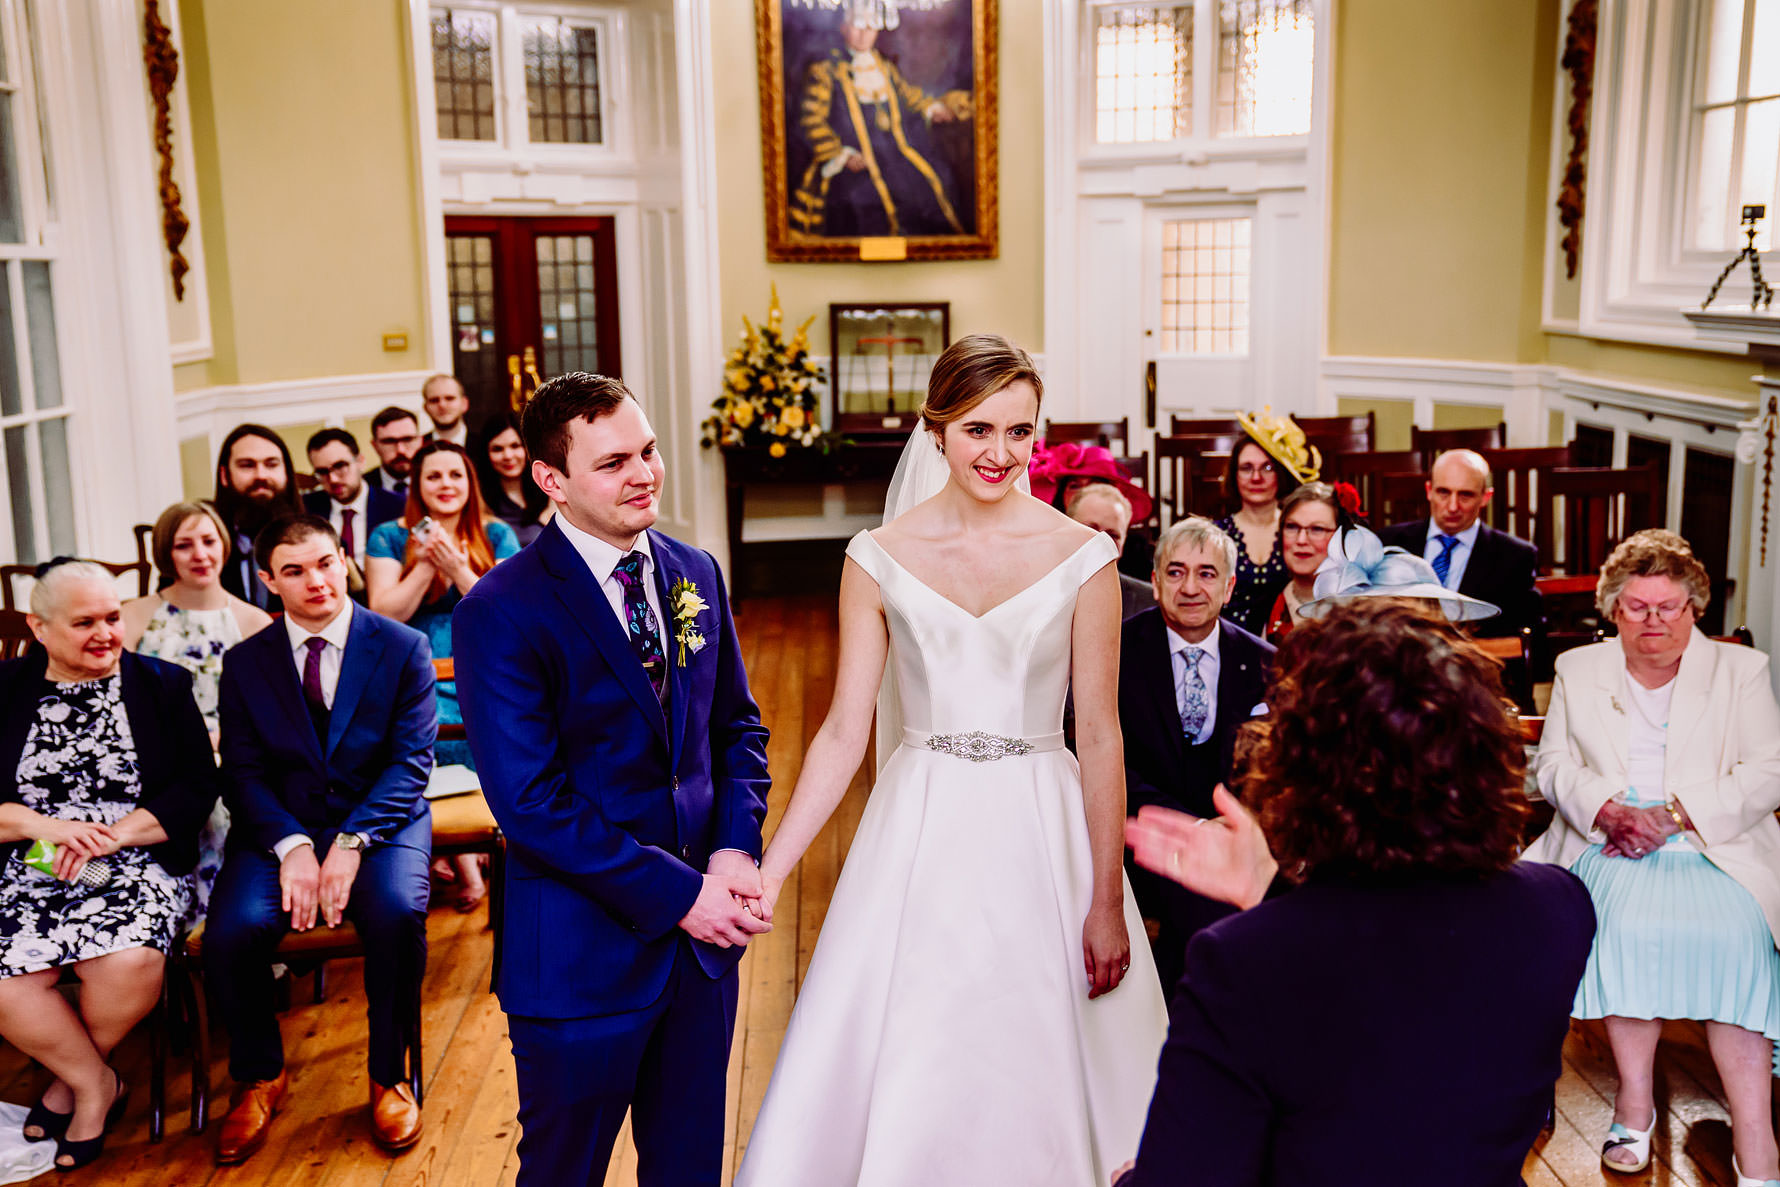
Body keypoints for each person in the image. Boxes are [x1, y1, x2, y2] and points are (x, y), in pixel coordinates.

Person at [734, 334, 1168, 1187]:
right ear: (936, 431)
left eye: (1019, 431)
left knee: (1045, 1046)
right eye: (978, 430)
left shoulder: (1085, 556)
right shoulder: (876, 556)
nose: (999, 453)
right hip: (920, 823)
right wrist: (774, 870)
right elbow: (841, 731)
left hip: (1042, 822)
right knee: (915, 1042)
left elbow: (1103, 733)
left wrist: (1108, 900)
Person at [1115, 600, 1596, 1187]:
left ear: (1302, 770)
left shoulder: (1241, 962)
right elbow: (1411, 1035)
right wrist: (1269, 893)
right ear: (1485, 752)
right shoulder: (1559, 908)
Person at [452, 372, 771, 1186]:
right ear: (550, 480)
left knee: (690, 1168)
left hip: (702, 960)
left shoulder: (694, 569)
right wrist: (682, 894)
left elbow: (735, 729)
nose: (645, 473)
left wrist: (734, 849)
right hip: (579, 958)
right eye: (614, 462)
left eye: (650, 449)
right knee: (564, 1172)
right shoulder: (502, 608)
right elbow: (530, 803)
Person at [1524, 530, 1780, 1183]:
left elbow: (1768, 773)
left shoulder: (1741, 670)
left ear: (1696, 608)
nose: (1653, 621)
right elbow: (1551, 766)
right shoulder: (1580, 669)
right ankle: (1633, 1103)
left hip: (1713, 843)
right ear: (1613, 609)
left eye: (1669, 606)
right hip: (1607, 841)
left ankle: (1756, 1131)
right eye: (1636, 606)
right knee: (1620, 929)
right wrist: (1608, 807)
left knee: (1739, 939)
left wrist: (1672, 815)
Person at [205, 516, 436, 1164]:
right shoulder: (246, 662)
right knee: (230, 931)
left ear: (344, 561)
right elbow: (242, 771)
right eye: (296, 570)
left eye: (327, 563)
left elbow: (411, 761)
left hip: (381, 821)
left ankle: (389, 1072)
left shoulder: (402, 645)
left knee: (394, 914)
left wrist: (354, 838)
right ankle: (259, 1074)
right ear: (269, 580)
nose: (317, 581)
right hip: (277, 826)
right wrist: (292, 844)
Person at [0, 560, 218, 1171]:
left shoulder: (163, 686)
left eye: (113, 617)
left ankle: (70, 1082)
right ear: (38, 629)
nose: (105, 633)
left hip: (136, 857)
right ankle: (96, 1082)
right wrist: (47, 828)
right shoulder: (4, 691)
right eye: (84, 622)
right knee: (1, 977)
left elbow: (197, 787)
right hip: (29, 861)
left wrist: (114, 836)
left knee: (127, 959)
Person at [1120, 516, 1273, 990]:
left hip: (1235, 841)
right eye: (1176, 571)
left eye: (1206, 574)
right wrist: (1187, 827)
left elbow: (1272, 768)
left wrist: (1225, 830)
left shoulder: (1265, 661)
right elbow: (1105, 758)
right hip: (1139, 841)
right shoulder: (1118, 651)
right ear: (1155, 579)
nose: (1190, 587)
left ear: (1228, 587)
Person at [367, 440, 517, 911]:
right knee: (428, 719)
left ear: (470, 482)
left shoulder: (496, 533)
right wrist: (424, 563)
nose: (446, 485)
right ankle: (463, 852)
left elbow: (503, 611)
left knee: (488, 714)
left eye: (455, 475)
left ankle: (476, 839)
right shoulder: (388, 536)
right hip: (412, 655)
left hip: (481, 649)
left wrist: (455, 564)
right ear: (418, 485)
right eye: (434, 476)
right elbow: (384, 613)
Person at [122, 501, 273, 926]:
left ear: (224, 546)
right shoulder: (133, 616)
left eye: (208, 541)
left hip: (230, 757)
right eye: (184, 545)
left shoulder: (253, 621)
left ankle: (226, 934)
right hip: (154, 760)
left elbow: (268, 712)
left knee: (222, 802)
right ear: (165, 554)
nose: (200, 555)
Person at [791, 7, 973, 239]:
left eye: (871, 25)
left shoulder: (884, 67)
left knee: (931, 184)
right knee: (863, 202)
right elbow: (811, 119)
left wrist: (930, 108)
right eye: (858, 24)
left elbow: (907, 97)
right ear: (843, 27)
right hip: (856, 161)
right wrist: (841, 154)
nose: (864, 33)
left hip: (895, 155)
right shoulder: (826, 72)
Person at [1376, 448, 1540, 641]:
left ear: (1485, 498)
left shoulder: (1515, 557)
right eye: (1444, 493)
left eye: (1465, 495)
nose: (1453, 507)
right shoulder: (1388, 542)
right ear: (1429, 491)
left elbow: (1525, 637)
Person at [1212, 411, 1316, 637]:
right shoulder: (1217, 534)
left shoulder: (1300, 531)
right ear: (1234, 475)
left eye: (1267, 468)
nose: (1256, 478)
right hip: (1227, 642)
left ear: (1281, 472)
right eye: (1246, 468)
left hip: (1288, 640)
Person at [213, 424, 302, 612]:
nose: (261, 475)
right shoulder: (202, 545)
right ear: (224, 475)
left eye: (271, 464)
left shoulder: (318, 537)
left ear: (286, 473)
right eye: (247, 465)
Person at [303, 428, 405, 575]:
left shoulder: (396, 505)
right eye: (322, 472)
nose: (333, 479)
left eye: (340, 466)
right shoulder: (306, 509)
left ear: (360, 461)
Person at [1263, 481, 1348, 641]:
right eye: (1292, 527)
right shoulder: (1264, 606)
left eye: (1317, 529)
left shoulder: (1360, 610)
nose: (1301, 540)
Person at [1066, 485, 1154, 620]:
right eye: (1091, 530)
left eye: (1112, 535)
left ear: (1124, 541)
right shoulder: (1037, 591)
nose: (1101, 542)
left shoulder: (1149, 601)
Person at [471, 411, 550, 547]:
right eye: (497, 449)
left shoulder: (551, 489)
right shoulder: (480, 502)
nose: (508, 456)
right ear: (486, 454)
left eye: (515, 446)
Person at [365, 406, 423, 496]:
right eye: (389, 442)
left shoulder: (438, 483)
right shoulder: (363, 488)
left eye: (407, 439)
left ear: (420, 441)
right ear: (375, 446)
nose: (400, 450)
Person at [422, 374, 470, 447]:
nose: (442, 405)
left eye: (449, 398)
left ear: (464, 404)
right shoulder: (418, 447)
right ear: (425, 408)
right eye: (434, 400)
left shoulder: (484, 446)